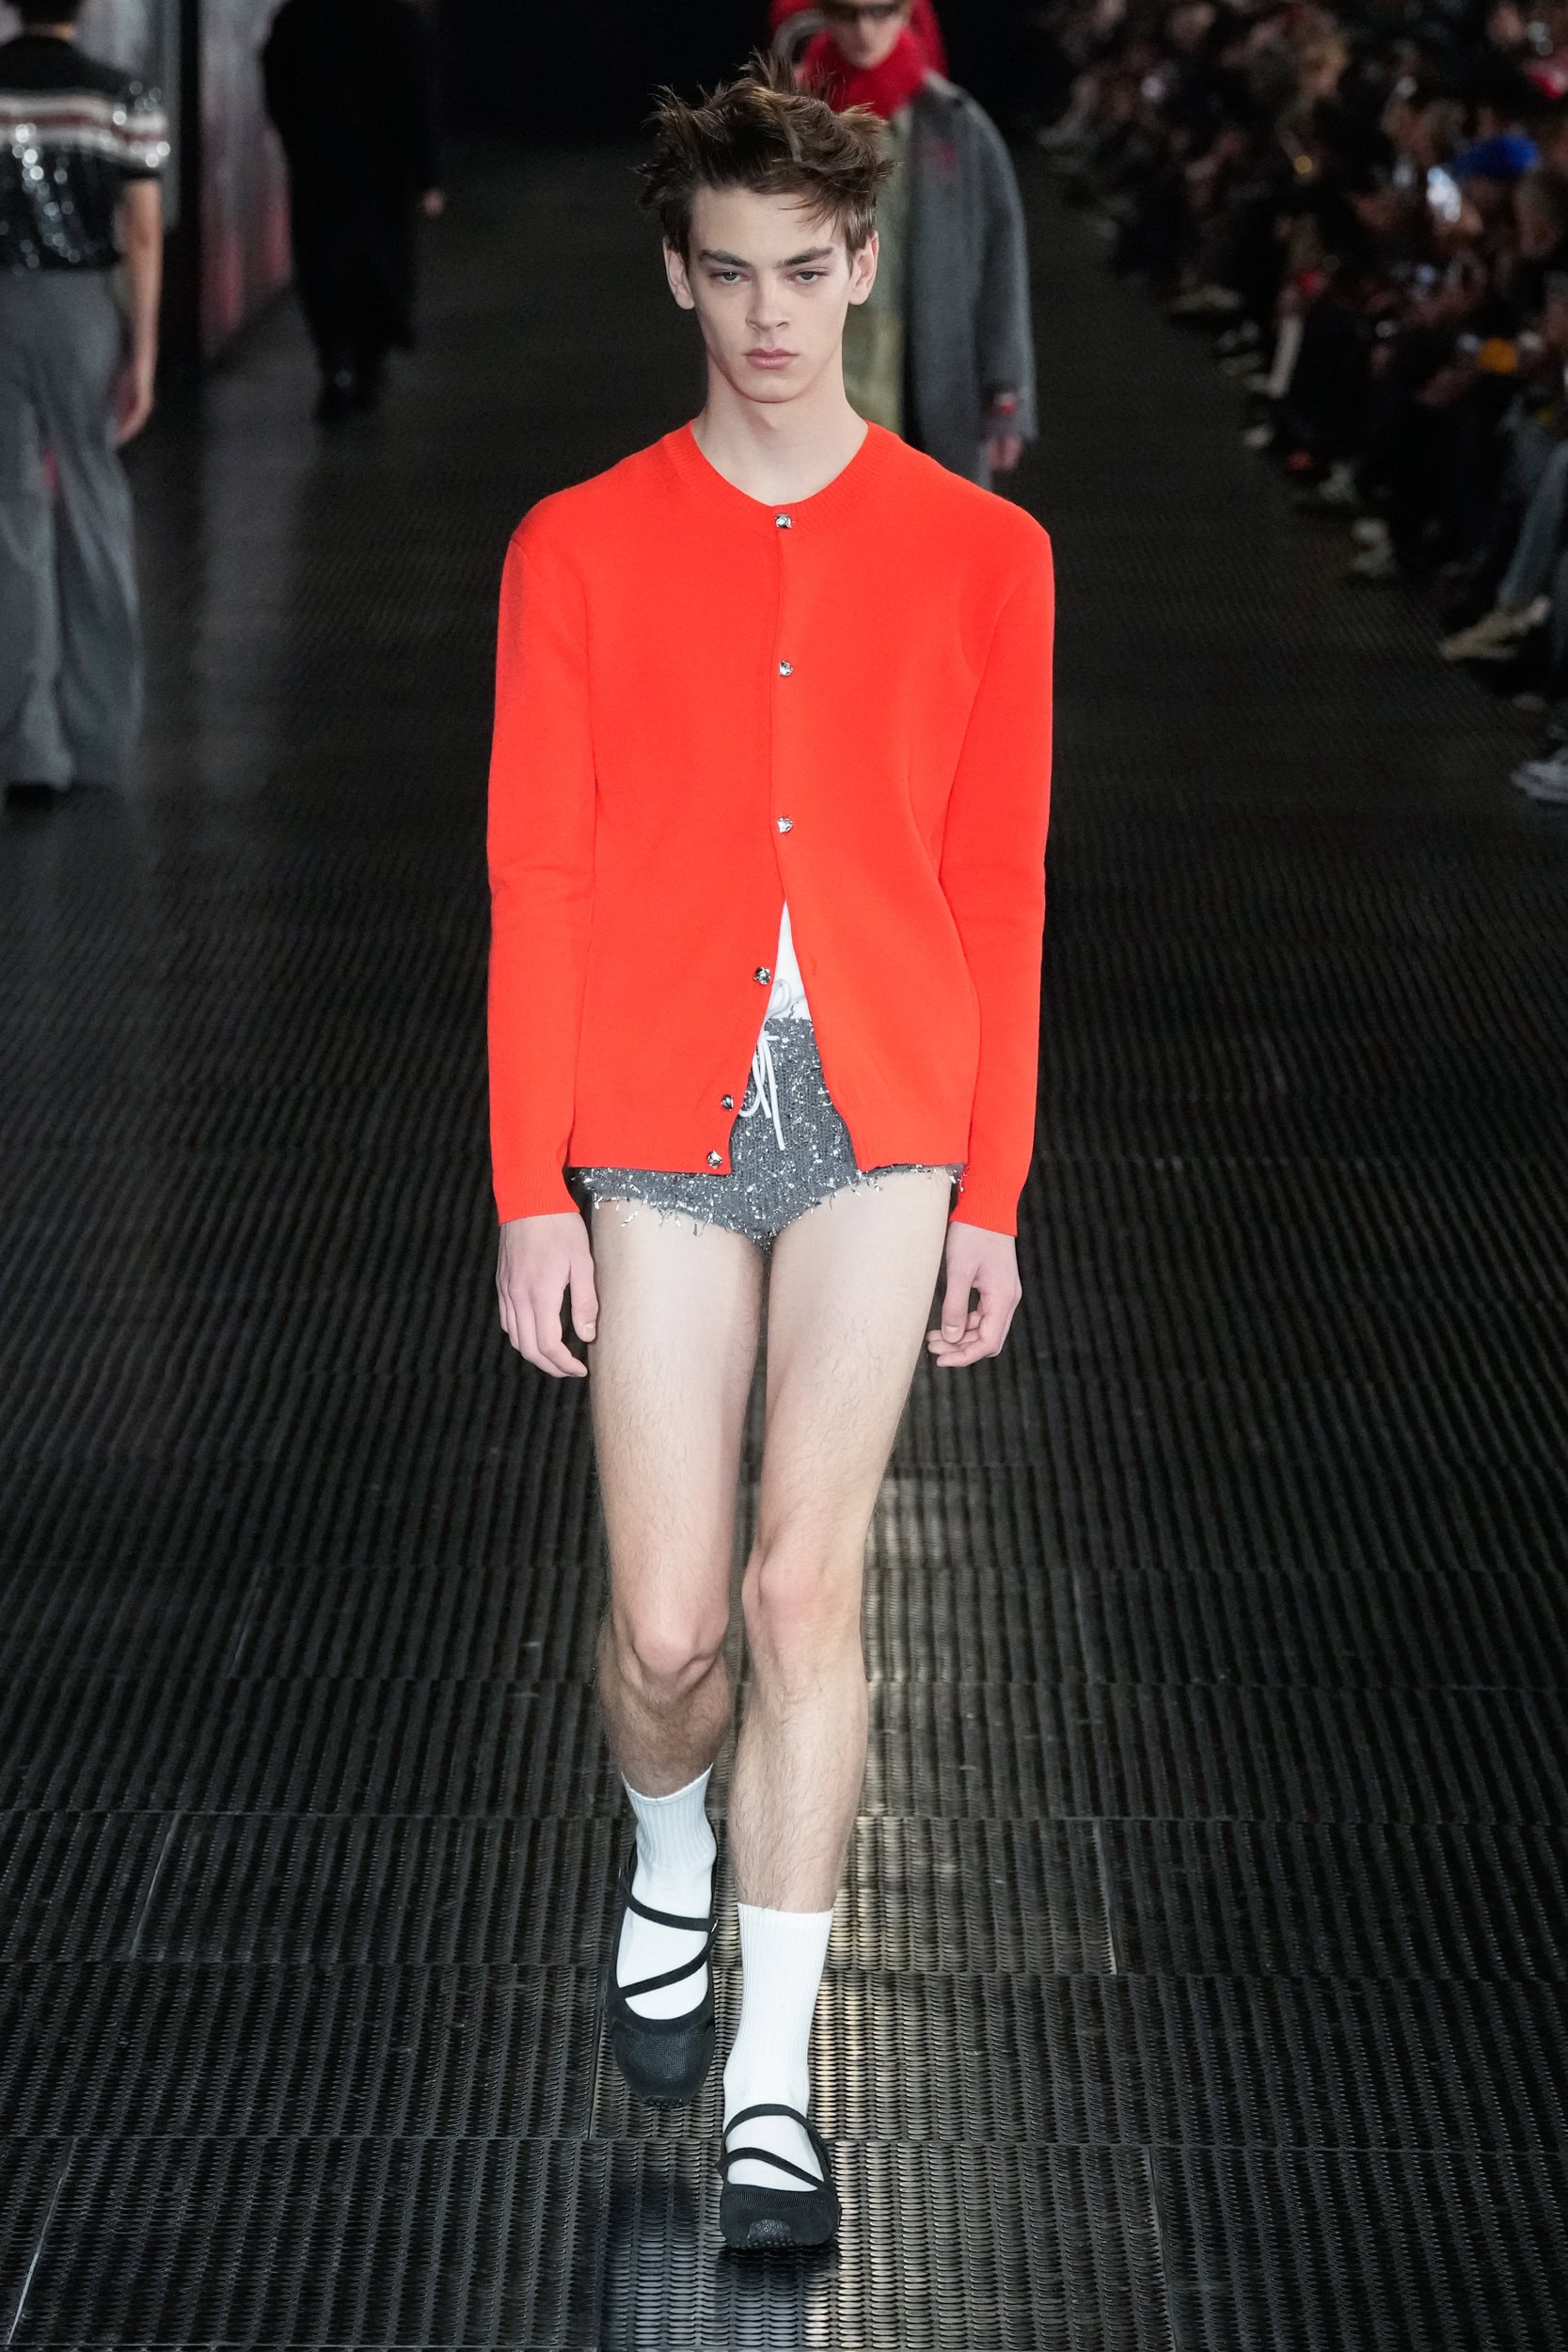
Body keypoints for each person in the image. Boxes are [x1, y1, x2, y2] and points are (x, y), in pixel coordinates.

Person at [488, 61, 1053, 2251]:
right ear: (675, 276)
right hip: (654, 1096)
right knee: (664, 1629)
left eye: (803, 272)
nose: (766, 317)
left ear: (863, 267)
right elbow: (537, 874)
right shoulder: (574, 545)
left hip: (884, 1104)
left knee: (804, 1587)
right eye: (726, 273)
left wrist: (991, 1188)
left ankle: (773, 2083)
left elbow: (996, 883)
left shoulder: (985, 556)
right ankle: (663, 1851)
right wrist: (526, 1191)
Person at [0, 0, 166, 806]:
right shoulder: (122, 95)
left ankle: (26, 748)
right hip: (82, 312)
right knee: (94, 507)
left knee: (11, 520)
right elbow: (141, 231)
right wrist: (144, 349)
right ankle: (98, 740)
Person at [800, 0, 1036, 484]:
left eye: (882, 11)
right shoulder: (789, 121)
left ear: (908, 11)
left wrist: (1006, 391)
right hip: (819, 362)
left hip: (933, 362)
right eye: (847, 13)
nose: (865, 31)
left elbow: (1000, 264)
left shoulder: (955, 123)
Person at [261, 0, 443, 422]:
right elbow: (419, 100)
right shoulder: (400, 20)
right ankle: (368, 365)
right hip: (384, 173)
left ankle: (336, 366)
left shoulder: (299, 18)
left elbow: (277, 86)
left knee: (323, 268)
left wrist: (297, 143)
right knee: (380, 266)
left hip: (319, 169)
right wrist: (428, 177)